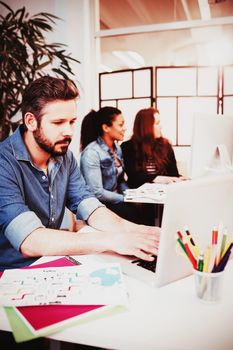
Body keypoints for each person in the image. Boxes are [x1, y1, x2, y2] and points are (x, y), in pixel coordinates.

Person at [0, 76, 160, 271]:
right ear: (31, 121)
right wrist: (111, 240)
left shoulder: (64, 157)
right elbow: (30, 239)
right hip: (12, 275)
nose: (69, 132)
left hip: (53, 262)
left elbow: (89, 205)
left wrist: (139, 231)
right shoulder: (4, 162)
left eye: (72, 121)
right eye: (58, 122)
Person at [80, 107, 146, 224]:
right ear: (106, 128)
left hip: (116, 201)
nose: (124, 128)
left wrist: (131, 195)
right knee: (133, 214)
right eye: (120, 125)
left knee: (142, 209)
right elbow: (97, 192)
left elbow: (120, 181)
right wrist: (125, 199)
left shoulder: (117, 149)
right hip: (99, 205)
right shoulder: (92, 153)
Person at [121, 107, 186, 188]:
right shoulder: (128, 146)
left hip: (164, 193)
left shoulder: (166, 146)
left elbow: (173, 174)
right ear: (146, 126)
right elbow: (133, 176)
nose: (161, 126)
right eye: (157, 123)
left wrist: (180, 179)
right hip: (139, 194)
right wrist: (158, 179)